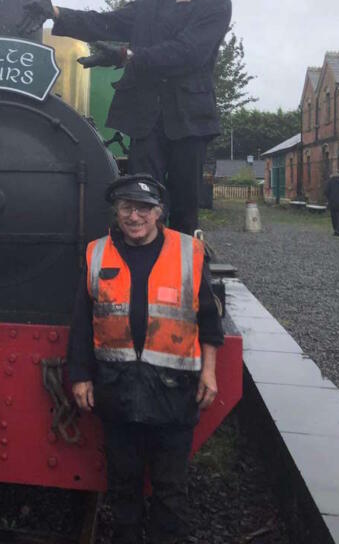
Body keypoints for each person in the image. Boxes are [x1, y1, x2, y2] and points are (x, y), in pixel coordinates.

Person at [18, 0, 232, 235]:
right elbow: (105, 22)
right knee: (143, 199)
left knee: (185, 205)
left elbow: (188, 53)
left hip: (190, 120)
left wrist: (125, 54)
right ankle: (142, 268)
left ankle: (186, 274)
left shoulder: (217, 5)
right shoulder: (150, 7)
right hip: (146, 119)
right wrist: (55, 12)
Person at [67, 174, 224, 543]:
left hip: (174, 395)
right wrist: (79, 376)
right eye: (126, 208)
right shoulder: (96, 253)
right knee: (123, 487)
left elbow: (210, 322)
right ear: (116, 212)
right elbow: (81, 322)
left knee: (170, 491)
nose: (133, 216)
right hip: (118, 393)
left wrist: (210, 373)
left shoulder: (188, 252)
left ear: (159, 213)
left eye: (143, 208)